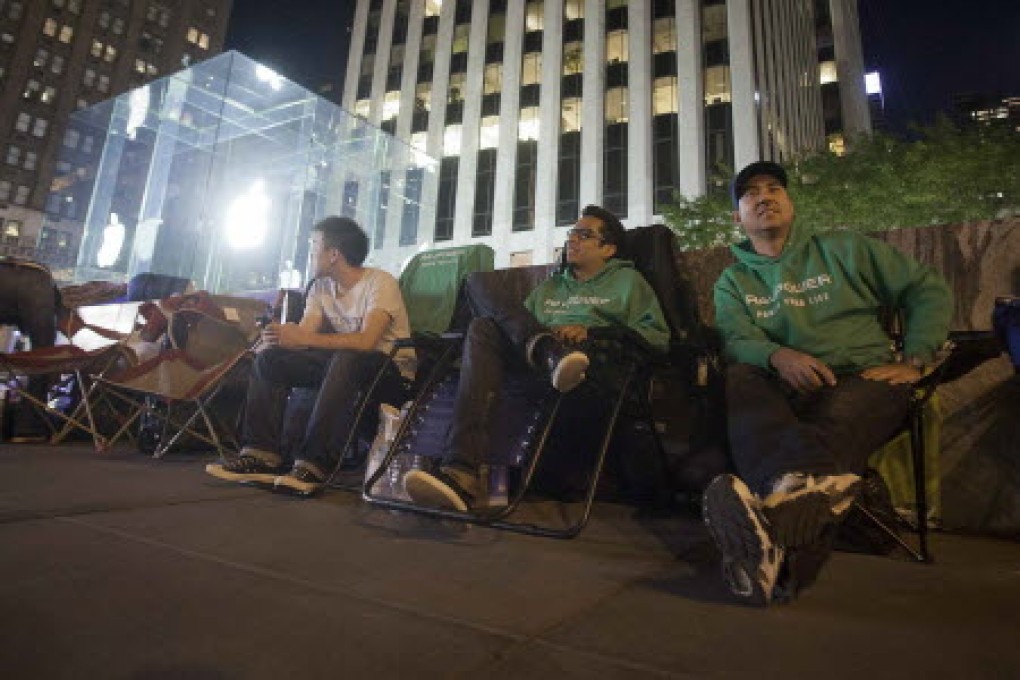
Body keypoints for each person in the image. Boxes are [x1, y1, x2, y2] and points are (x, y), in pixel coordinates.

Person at [704, 161, 953, 605]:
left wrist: (916, 359)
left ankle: (775, 540)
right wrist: (778, 355)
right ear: (737, 217)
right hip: (781, 388)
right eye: (751, 193)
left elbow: (926, 288)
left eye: (774, 188)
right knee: (740, 377)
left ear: (791, 203)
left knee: (830, 425)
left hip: (862, 378)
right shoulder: (733, 280)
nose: (764, 196)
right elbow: (736, 339)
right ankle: (802, 497)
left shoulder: (845, 248)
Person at [404, 205, 670, 512]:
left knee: (484, 325)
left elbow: (656, 338)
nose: (573, 240)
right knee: (479, 303)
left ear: (608, 249)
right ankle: (547, 353)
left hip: (587, 365)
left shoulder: (629, 283)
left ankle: (461, 471)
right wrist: (543, 341)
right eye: (572, 233)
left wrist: (592, 331)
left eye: (584, 235)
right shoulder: (551, 285)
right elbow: (517, 325)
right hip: (536, 364)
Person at [205, 216, 414, 495]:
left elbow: (366, 342)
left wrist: (304, 338)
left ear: (333, 254)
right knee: (271, 360)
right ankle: (261, 453)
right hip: (342, 367)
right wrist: (281, 338)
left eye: (315, 245)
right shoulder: (320, 287)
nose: (311, 253)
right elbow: (304, 335)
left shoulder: (380, 282)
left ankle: (314, 463)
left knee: (347, 357)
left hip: (389, 371)